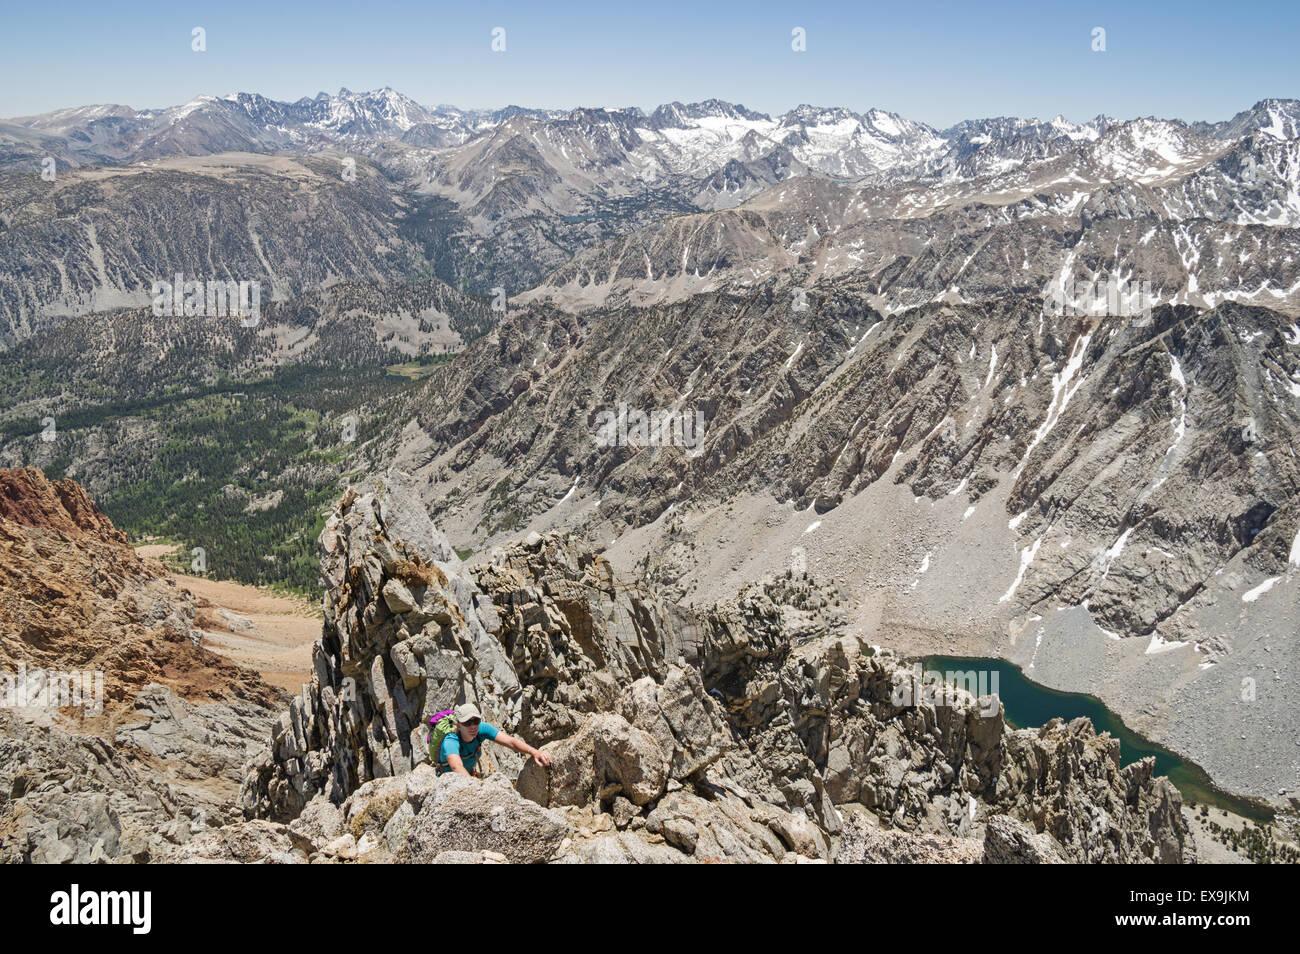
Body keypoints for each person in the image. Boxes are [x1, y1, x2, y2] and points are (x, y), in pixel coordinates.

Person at [437, 703, 552, 777]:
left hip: (468, 778)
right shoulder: (451, 741)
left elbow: (511, 742)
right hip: (448, 783)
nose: (473, 726)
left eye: (476, 721)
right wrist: (474, 787)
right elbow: (456, 766)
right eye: (467, 723)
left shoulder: (482, 729)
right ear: (459, 725)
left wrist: (535, 752)